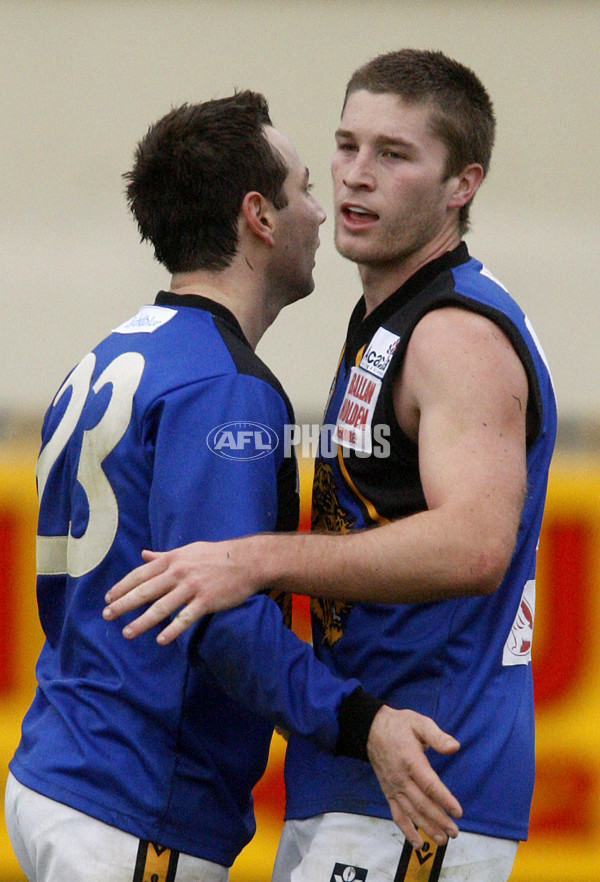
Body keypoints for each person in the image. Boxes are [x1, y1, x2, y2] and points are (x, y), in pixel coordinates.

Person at [103, 50, 557, 882]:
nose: (354, 177)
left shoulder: (456, 332)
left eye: (394, 154)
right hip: (359, 776)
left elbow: (477, 546)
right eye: (346, 147)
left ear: (463, 184)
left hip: (424, 782)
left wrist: (255, 559)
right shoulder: (385, 312)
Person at [5, 91, 463, 882]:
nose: (324, 212)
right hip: (133, 800)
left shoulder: (117, 351)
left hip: (61, 769)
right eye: (305, 190)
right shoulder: (222, 387)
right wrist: (363, 721)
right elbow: (219, 615)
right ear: (259, 215)